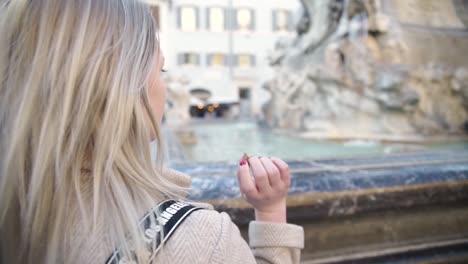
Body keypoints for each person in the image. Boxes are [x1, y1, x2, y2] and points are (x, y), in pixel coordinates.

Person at [0, 0, 304, 263]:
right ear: (122, 87)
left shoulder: (15, 207)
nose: (166, 86)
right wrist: (271, 211)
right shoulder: (203, 240)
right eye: (160, 70)